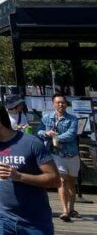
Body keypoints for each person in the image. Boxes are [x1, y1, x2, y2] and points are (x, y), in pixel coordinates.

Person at [0, 101, 59, 234]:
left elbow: (55, 180)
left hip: (34, 222)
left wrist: (19, 176)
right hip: (3, 219)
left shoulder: (32, 143)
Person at [36, 92, 80, 222]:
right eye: (58, 102)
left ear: (66, 104)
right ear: (53, 104)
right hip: (55, 154)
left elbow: (71, 135)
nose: (60, 104)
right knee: (61, 181)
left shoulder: (73, 119)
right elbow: (38, 131)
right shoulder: (46, 117)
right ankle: (65, 210)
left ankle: (72, 208)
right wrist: (46, 133)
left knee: (71, 182)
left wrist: (54, 137)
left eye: (63, 102)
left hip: (71, 154)